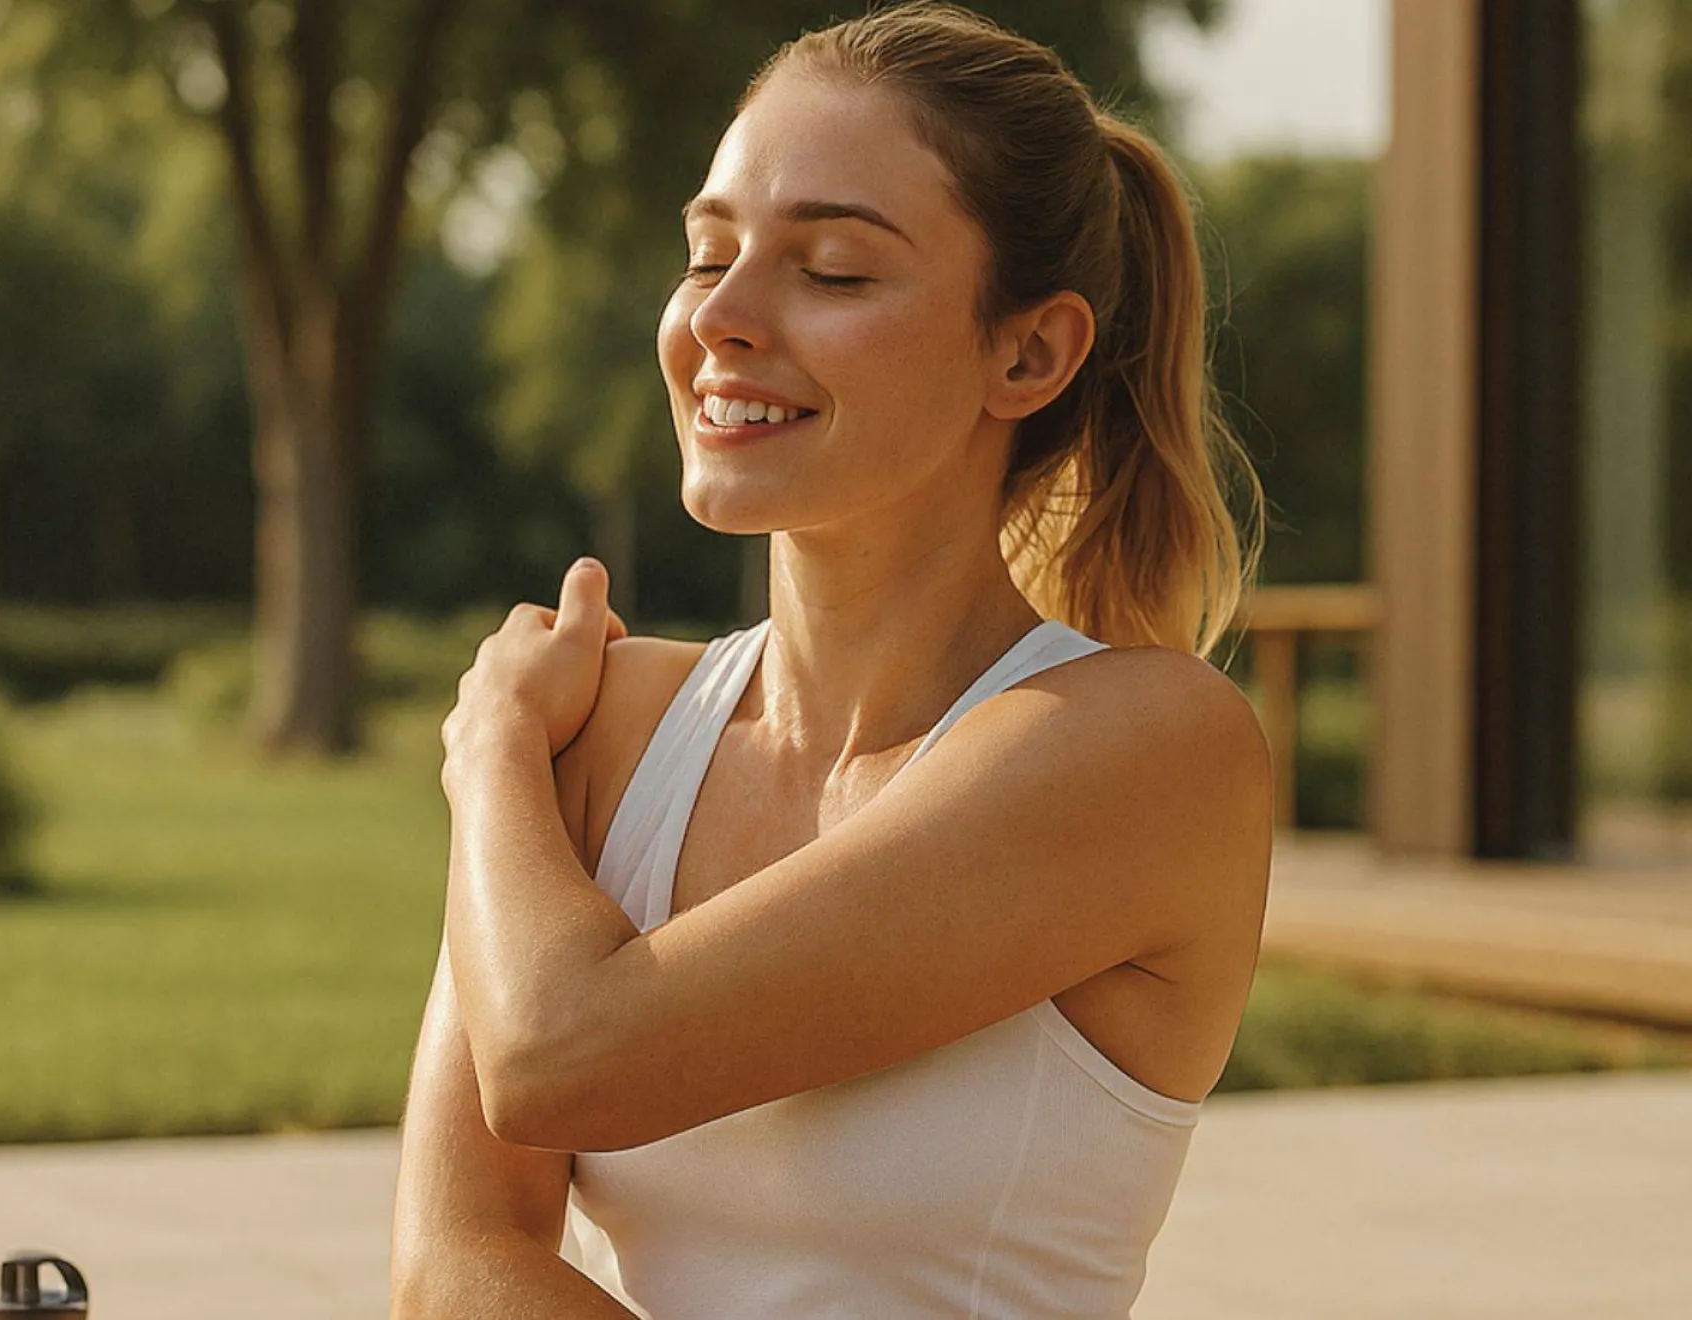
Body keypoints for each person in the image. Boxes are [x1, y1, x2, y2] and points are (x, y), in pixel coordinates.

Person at [390, 4, 1273, 1316]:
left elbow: (563, 1057)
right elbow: (458, 1268)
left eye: (833, 270)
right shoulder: (612, 730)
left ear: (1027, 351)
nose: (724, 319)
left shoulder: (1146, 747)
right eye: (707, 256)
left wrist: (491, 754)